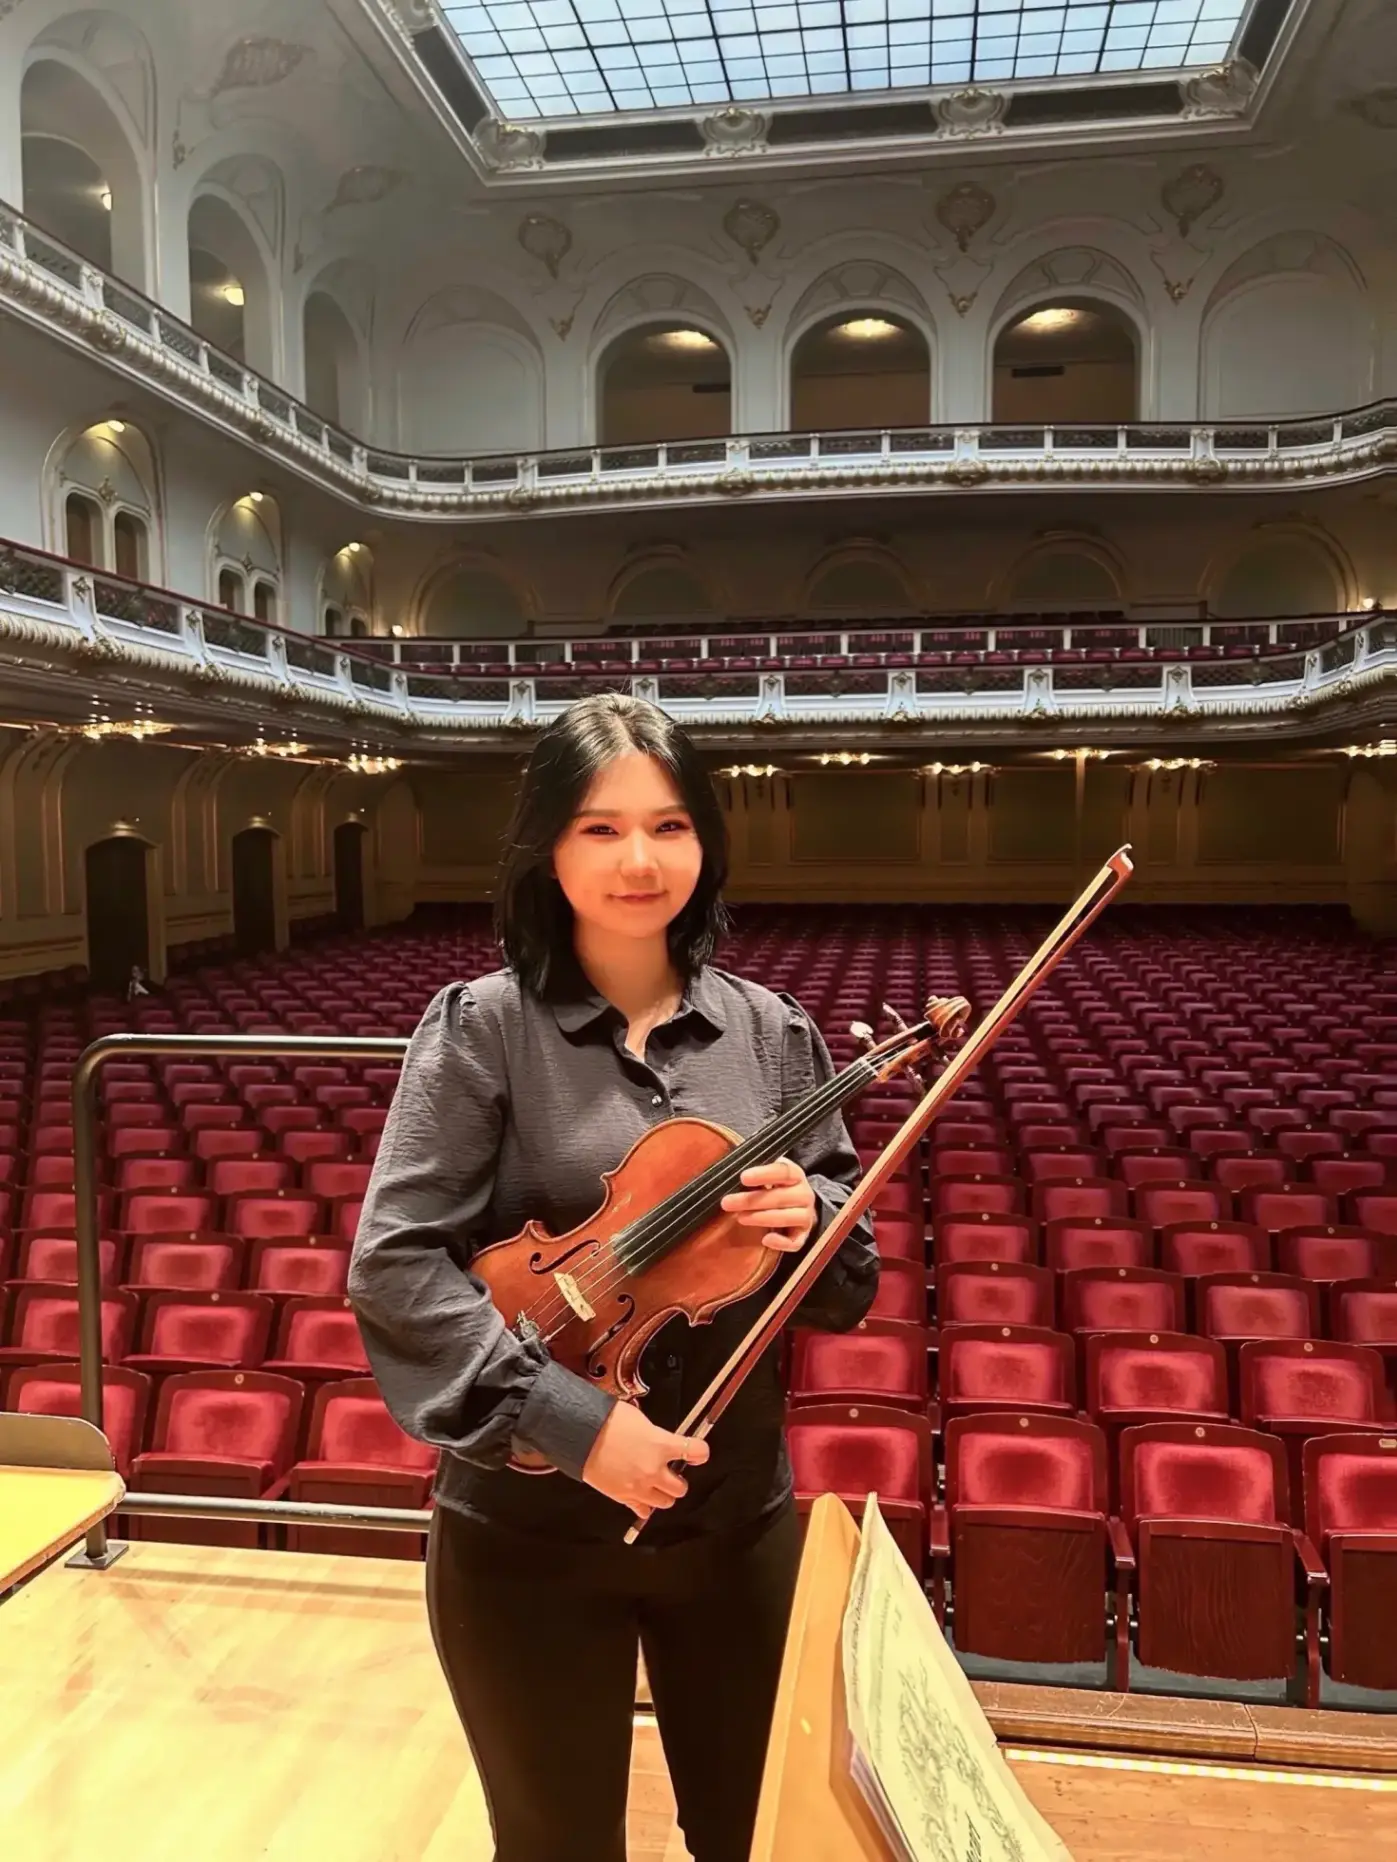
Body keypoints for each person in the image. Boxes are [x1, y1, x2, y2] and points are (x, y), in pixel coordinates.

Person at [347, 692, 878, 1862]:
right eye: (600, 826)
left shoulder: (773, 1035)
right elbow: (396, 1264)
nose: (639, 859)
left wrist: (813, 1219)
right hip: (525, 1534)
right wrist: (578, 1426)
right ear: (548, 843)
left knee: (753, 1837)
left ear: (705, 842)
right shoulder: (481, 1029)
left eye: (668, 824)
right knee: (556, 1845)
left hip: (734, 1528)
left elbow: (850, 1281)